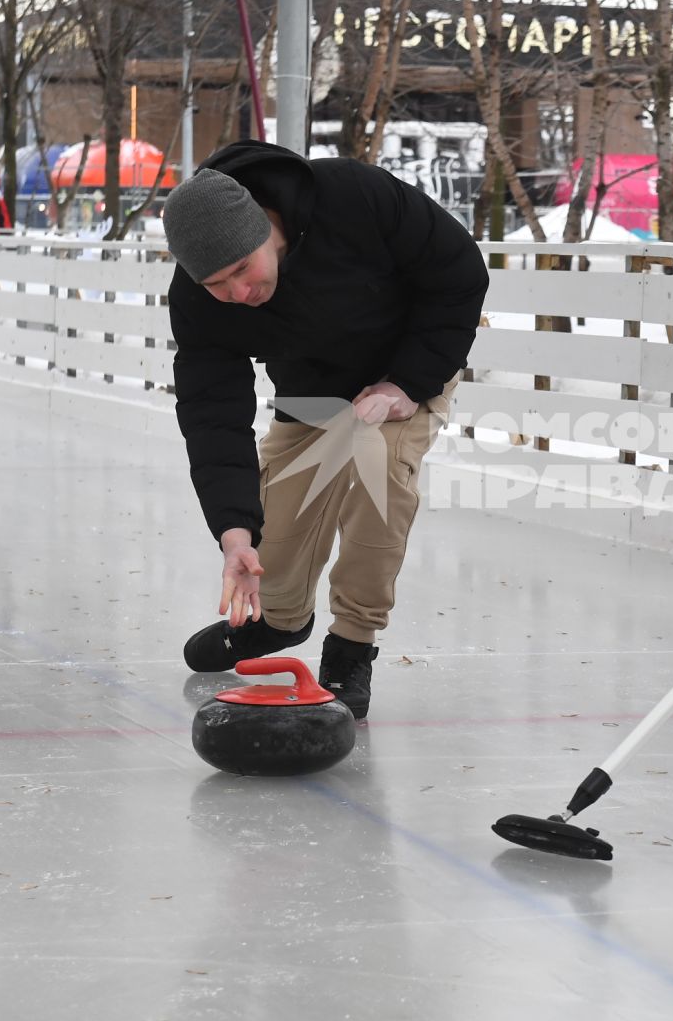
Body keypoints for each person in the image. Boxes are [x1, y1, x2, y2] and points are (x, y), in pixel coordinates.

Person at [163, 140, 488, 720]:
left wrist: (406, 384)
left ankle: (351, 646)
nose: (239, 294)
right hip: (312, 393)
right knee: (276, 531)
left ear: (267, 226)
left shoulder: (353, 197)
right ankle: (280, 622)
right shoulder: (198, 302)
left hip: (408, 369)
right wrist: (234, 533)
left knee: (378, 475)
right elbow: (213, 415)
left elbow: (459, 273)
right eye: (218, 285)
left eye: (243, 269)